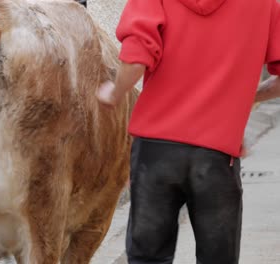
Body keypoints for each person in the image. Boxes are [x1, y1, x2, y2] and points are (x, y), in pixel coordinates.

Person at [96, 0, 280, 263]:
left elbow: (136, 60)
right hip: (217, 158)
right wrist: (246, 96)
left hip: (154, 154)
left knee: (147, 258)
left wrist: (115, 92)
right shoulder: (265, 4)